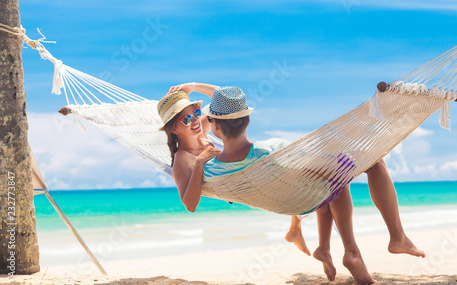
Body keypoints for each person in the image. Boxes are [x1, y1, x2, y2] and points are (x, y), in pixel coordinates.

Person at [158, 83, 424, 283]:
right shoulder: (183, 159)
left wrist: (193, 86)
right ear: (173, 129)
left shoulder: (203, 131)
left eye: (196, 113)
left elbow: (228, 105)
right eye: (186, 118)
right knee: (359, 169)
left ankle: (321, 246)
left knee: (326, 188)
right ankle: (390, 239)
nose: (195, 120)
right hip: (267, 181)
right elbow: (190, 203)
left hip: (278, 187)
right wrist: (202, 162)